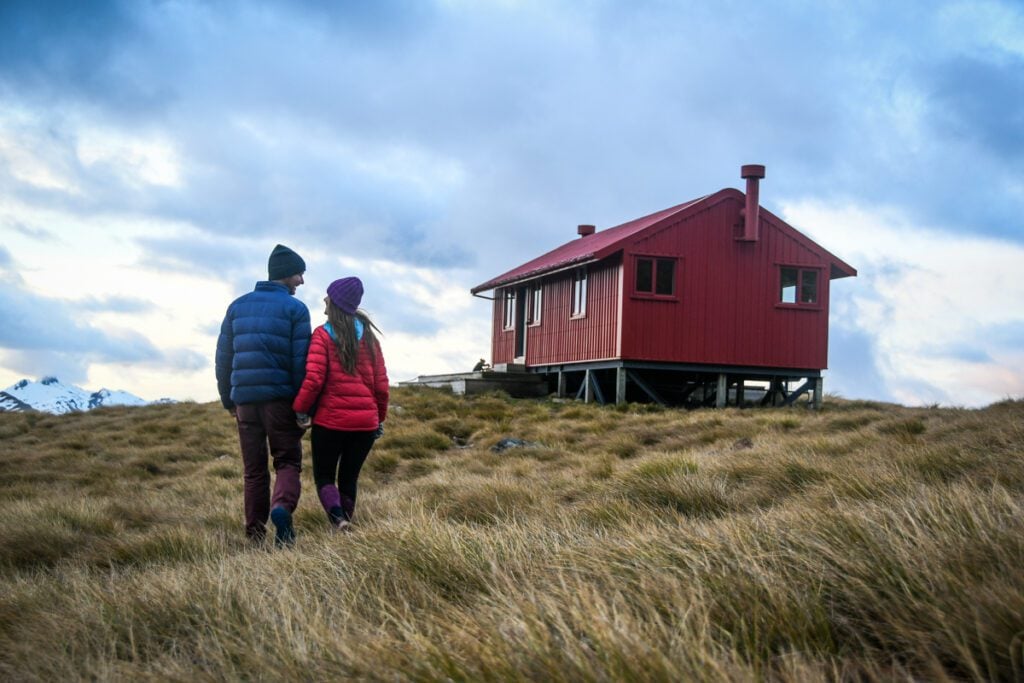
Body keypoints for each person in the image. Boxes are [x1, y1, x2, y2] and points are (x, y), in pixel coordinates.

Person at [216, 244, 311, 547]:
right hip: (280, 400)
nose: (302, 281)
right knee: (287, 462)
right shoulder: (296, 309)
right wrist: (302, 407)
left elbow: (223, 357)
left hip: (244, 400)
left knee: (253, 470)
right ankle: (281, 508)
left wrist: (228, 400)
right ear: (286, 275)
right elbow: (300, 363)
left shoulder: (237, 306)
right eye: (299, 273)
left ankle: (255, 534)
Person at [293, 276, 389, 531]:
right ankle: (345, 523)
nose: (324, 299)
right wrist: (379, 419)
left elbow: (313, 379)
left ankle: (338, 519)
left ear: (335, 302)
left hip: (330, 422)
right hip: (365, 424)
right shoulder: (370, 339)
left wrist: (301, 409)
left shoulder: (323, 335)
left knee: (324, 476)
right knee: (349, 478)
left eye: (328, 295)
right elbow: (381, 386)